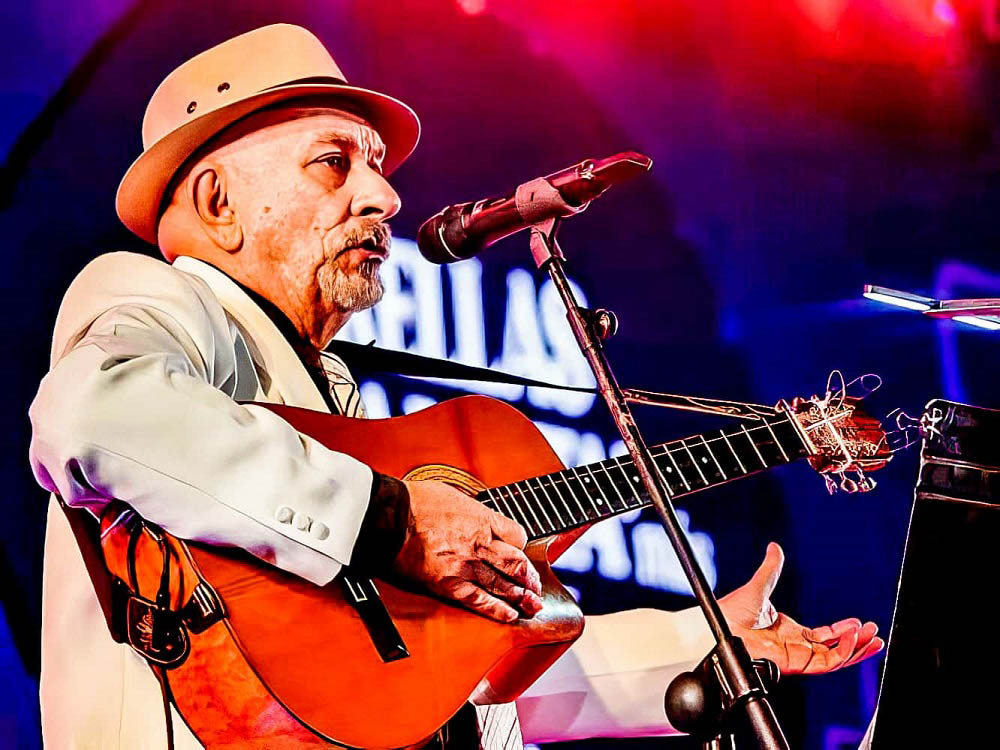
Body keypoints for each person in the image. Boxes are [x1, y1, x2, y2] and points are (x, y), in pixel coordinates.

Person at [28, 24, 882, 749]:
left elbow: (460, 675)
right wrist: (394, 521)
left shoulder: (335, 403)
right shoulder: (158, 298)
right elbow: (95, 414)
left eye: (376, 166)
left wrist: (710, 641)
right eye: (334, 163)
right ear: (218, 203)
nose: (384, 196)